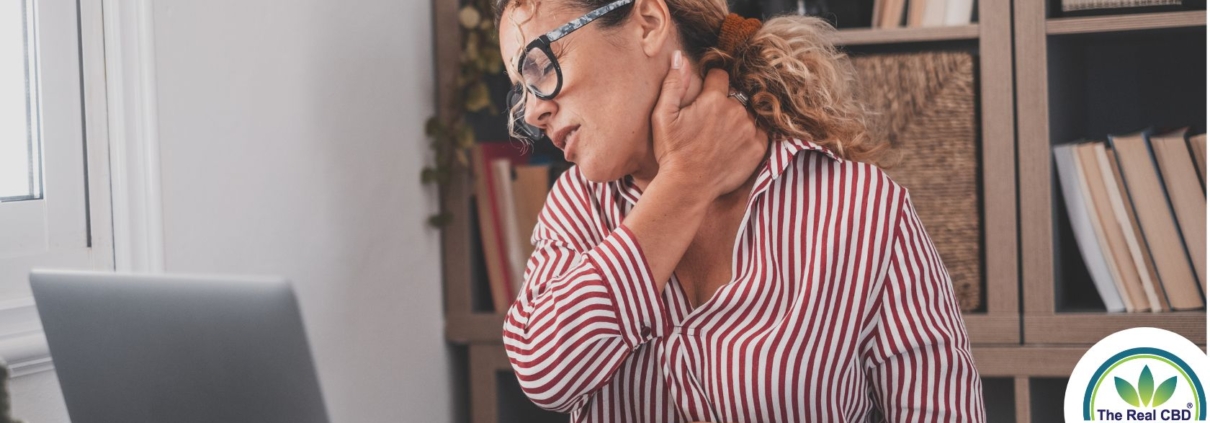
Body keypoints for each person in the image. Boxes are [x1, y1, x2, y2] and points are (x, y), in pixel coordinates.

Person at [495, 0, 987, 421]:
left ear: (646, 21)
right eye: (520, 88)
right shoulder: (577, 208)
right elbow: (545, 372)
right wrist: (687, 182)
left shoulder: (859, 208)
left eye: (540, 65)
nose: (532, 112)